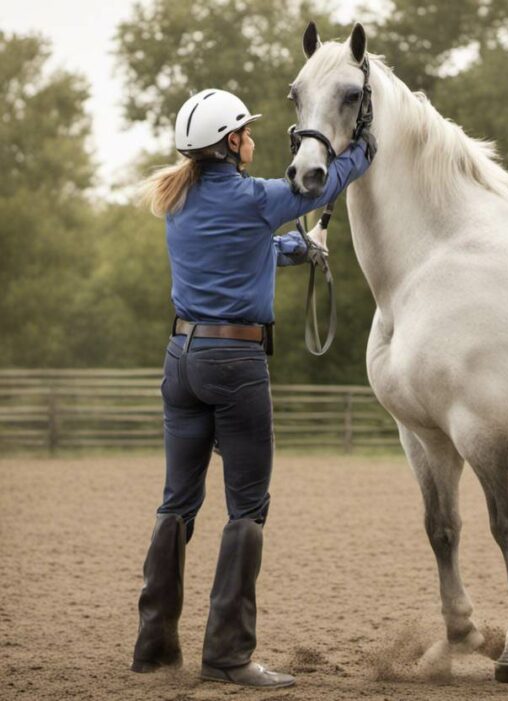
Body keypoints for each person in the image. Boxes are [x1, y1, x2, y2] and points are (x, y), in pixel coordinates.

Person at [130, 88, 374, 688]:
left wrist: (300, 248)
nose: (254, 138)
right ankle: (228, 656)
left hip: (180, 361)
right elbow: (321, 183)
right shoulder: (252, 196)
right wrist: (363, 149)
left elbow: (246, 247)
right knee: (247, 508)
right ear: (231, 143)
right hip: (234, 363)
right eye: (246, 131)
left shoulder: (179, 198)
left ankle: (155, 646)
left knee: (177, 503)